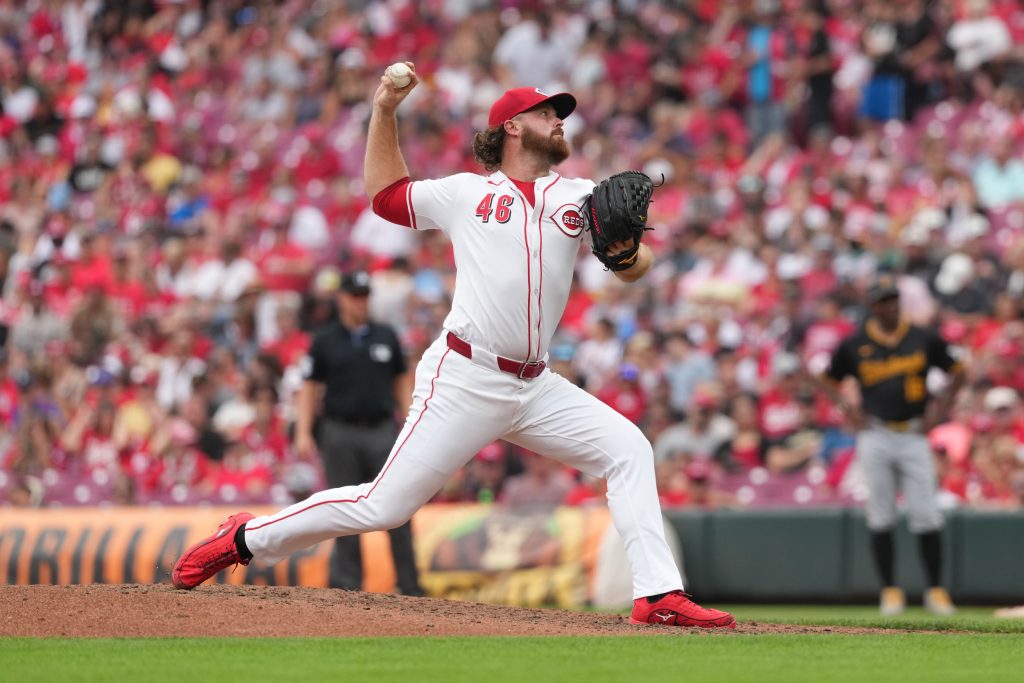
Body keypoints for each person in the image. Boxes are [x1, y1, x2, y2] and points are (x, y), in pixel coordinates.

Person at [173, 65, 736, 629]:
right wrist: (385, 111)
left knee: (629, 449)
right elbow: (386, 196)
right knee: (384, 506)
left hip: (536, 385)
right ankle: (245, 537)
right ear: (512, 127)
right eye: (546, 113)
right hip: (466, 375)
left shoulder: (581, 196)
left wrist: (626, 256)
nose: (559, 122)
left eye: (559, 114)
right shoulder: (467, 193)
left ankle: (658, 595)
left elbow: (637, 269)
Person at [817, 274, 964, 616]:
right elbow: (826, 380)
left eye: (894, 299)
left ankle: (936, 591)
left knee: (926, 514)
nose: (891, 306)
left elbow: (959, 371)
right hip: (876, 433)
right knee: (880, 514)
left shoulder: (922, 337)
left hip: (914, 432)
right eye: (884, 301)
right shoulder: (855, 343)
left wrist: (939, 412)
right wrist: (848, 411)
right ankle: (890, 591)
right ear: (872, 307)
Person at [292, 269, 423, 596]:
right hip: (340, 432)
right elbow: (309, 387)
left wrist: (410, 423)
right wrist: (304, 431)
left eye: (365, 296)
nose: (361, 302)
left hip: (381, 430)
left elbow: (400, 383)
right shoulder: (324, 340)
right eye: (355, 296)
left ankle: (410, 586)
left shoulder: (386, 336)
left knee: (399, 508)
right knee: (343, 509)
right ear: (342, 299)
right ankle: (347, 588)